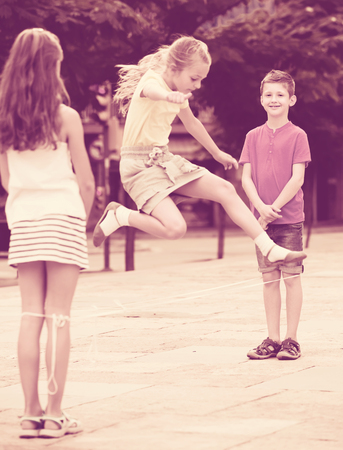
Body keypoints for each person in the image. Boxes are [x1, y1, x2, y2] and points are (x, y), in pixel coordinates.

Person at [93, 36, 306, 269]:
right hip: (138, 167)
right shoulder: (152, 81)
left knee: (226, 189)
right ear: (174, 69)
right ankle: (120, 216)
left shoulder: (179, 92)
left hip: (164, 160)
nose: (197, 85)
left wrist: (217, 153)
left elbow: (192, 123)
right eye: (194, 78)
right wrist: (167, 96)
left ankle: (269, 248)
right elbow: (151, 91)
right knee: (175, 229)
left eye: (201, 79)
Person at [0, 29, 95, 437]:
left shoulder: (4, 118)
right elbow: (86, 182)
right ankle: (55, 416)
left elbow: (5, 179)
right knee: (59, 317)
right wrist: (82, 222)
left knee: (29, 315)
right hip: (63, 218)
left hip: (24, 221)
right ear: (52, 65)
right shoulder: (66, 117)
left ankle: (29, 412)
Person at [239, 70, 311, 360]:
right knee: (269, 280)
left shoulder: (298, 135)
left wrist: (273, 211)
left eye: (280, 94)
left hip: (289, 219)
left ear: (291, 99)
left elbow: (297, 179)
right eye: (268, 94)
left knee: (292, 278)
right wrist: (261, 209)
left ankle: (291, 340)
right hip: (261, 223)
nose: (274, 99)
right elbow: (246, 178)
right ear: (261, 99)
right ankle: (272, 338)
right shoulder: (252, 136)